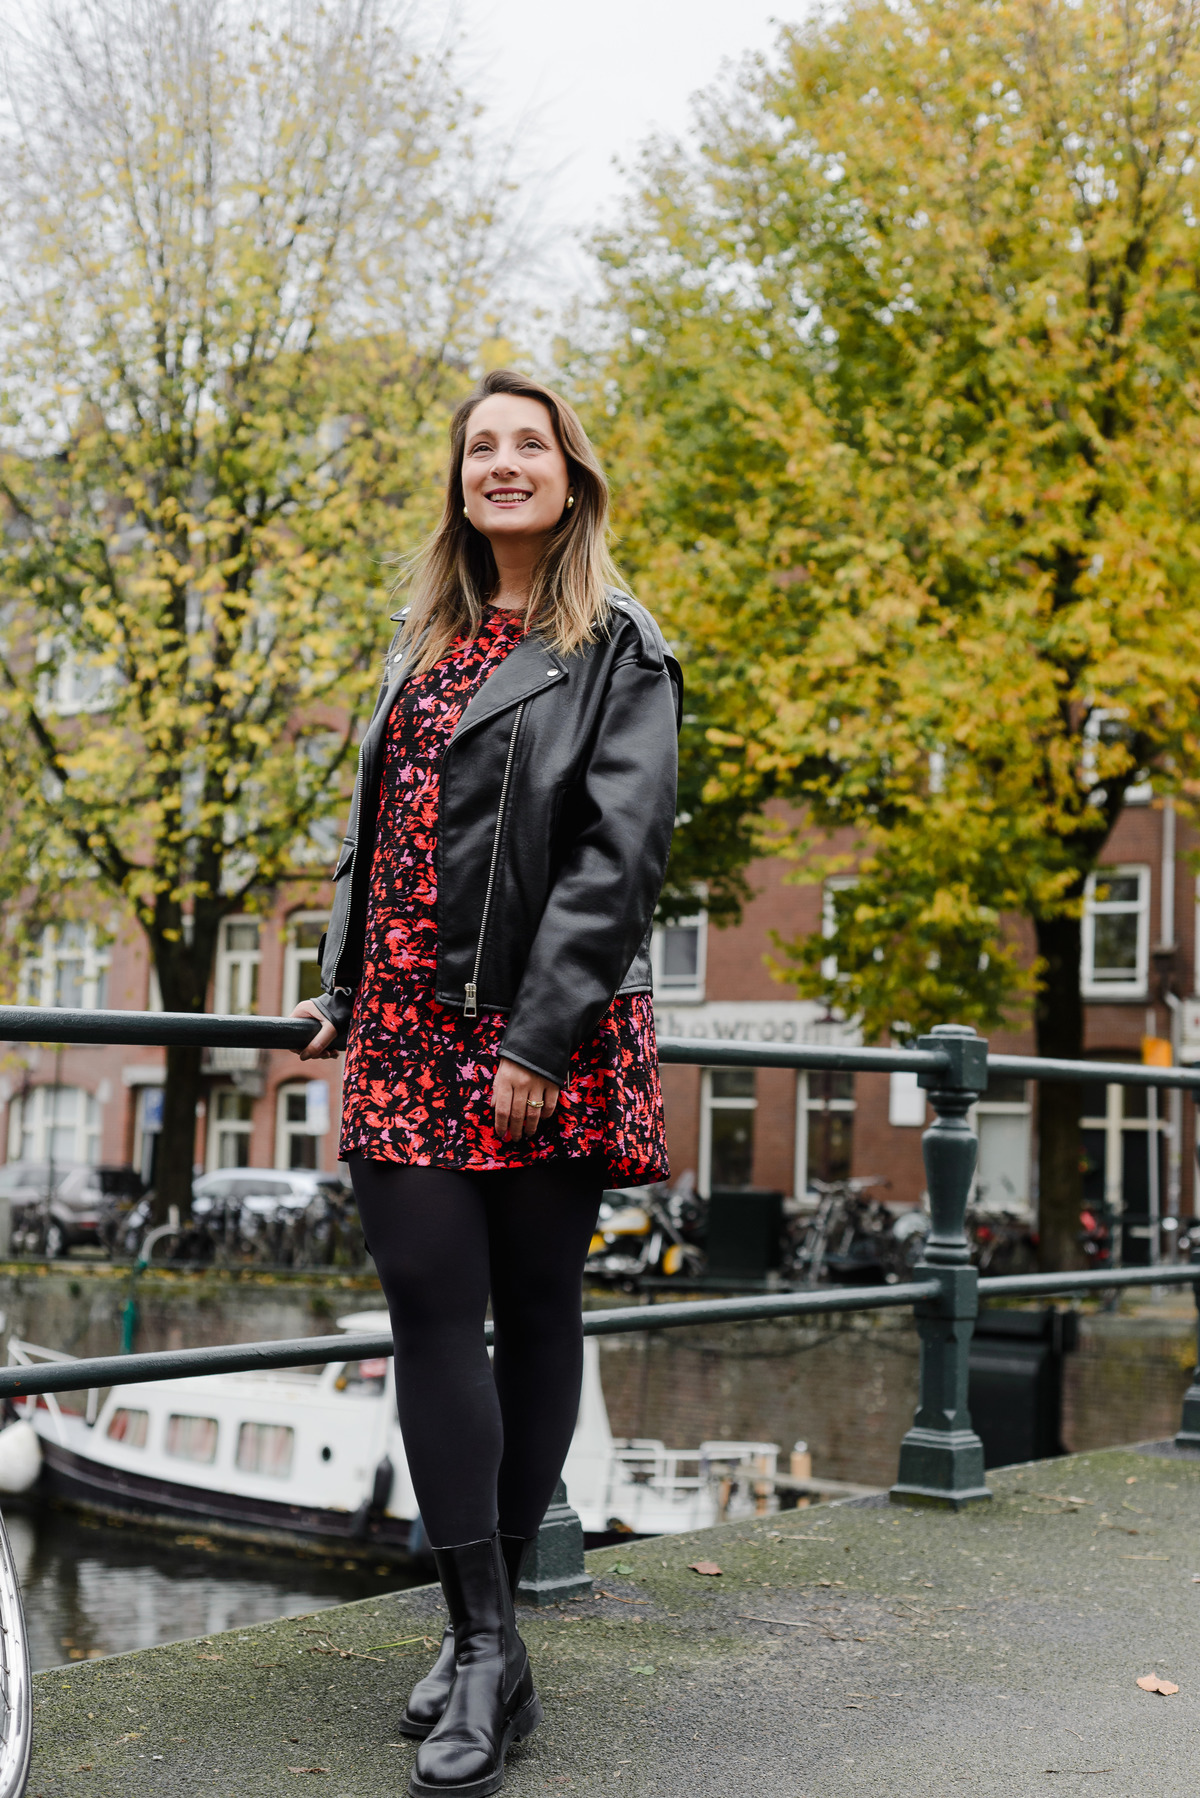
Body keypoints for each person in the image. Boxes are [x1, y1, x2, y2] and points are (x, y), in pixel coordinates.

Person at [292, 368, 681, 1798]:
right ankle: (481, 1639)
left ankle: (486, 1648)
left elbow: (615, 859)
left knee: (535, 1315)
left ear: (571, 476)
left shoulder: (617, 650)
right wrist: (339, 991)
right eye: (480, 448)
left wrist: (535, 1037)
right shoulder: (420, 647)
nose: (501, 464)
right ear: (459, 481)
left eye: (529, 444)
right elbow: (377, 837)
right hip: (403, 1033)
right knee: (429, 1316)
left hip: (536, 1038)